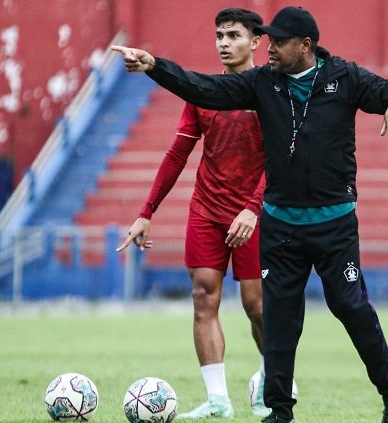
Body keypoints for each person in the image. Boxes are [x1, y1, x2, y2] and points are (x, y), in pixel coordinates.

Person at [112, 6, 388, 423]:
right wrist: (154, 66)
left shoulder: (344, 78)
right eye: (268, 40)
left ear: (305, 46)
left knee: (351, 307)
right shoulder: (262, 83)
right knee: (279, 317)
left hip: (335, 225)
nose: (269, 48)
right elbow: (203, 89)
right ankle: (279, 411)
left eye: (277, 42)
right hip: (282, 226)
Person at [116, 7, 272, 420]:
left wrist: (253, 208)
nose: (224, 42)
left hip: (255, 214)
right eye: (219, 35)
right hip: (207, 209)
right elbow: (177, 154)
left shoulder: (271, 94)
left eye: (234, 35)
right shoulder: (204, 93)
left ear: (256, 42)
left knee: (257, 305)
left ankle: (274, 379)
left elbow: (281, 162)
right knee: (203, 297)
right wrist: (146, 212)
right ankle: (219, 400)